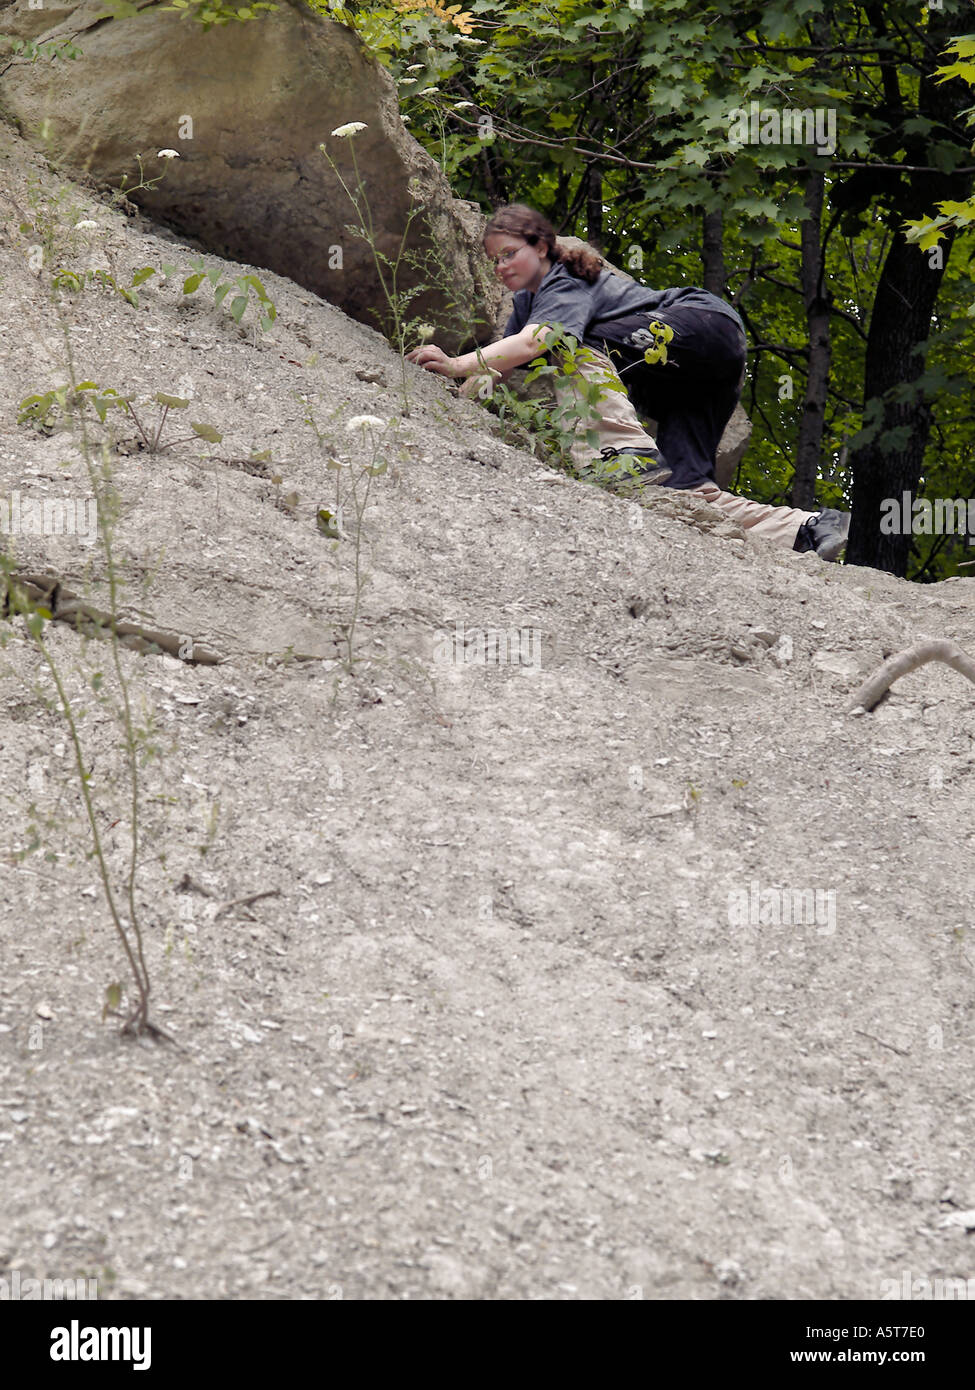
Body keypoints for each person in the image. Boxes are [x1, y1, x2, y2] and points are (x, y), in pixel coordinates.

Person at [406, 203, 850, 561]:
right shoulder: (527, 306)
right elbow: (501, 364)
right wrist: (454, 405)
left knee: (564, 345)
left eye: (509, 254)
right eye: (494, 260)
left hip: (700, 326)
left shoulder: (565, 277)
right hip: (695, 376)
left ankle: (622, 455)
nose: (500, 267)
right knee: (686, 496)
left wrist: (455, 363)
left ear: (541, 246)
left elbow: (540, 341)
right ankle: (807, 529)